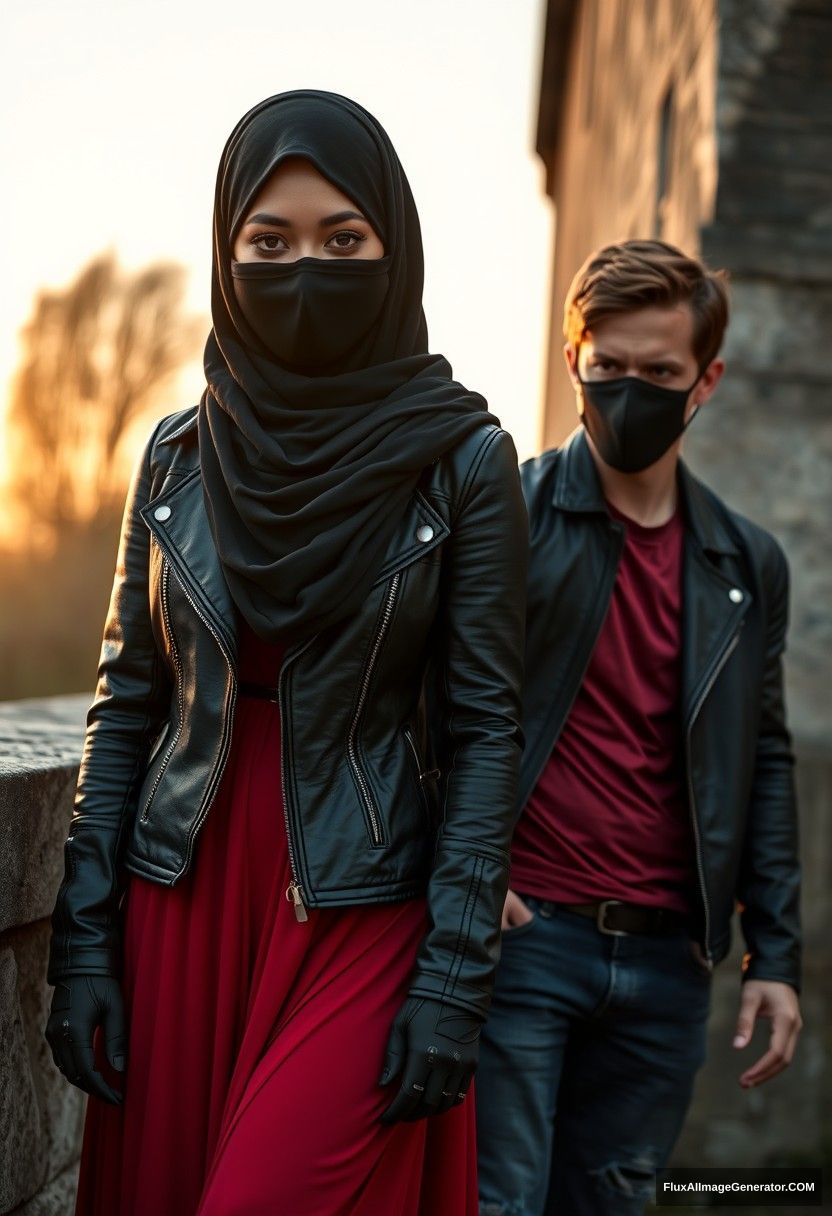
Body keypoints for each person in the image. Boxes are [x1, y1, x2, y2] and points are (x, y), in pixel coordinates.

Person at [44, 89, 528, 1216]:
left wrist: (455, 981)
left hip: (361, 908)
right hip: (183, 897)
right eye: (269, 242)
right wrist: (81, 941)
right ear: (226, 252)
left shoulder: (464, 459)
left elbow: (483, 730)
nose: (305, 267)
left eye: (341, 240)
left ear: (393, 247)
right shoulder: (173, 454)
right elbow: (127, 704)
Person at [475, 239, 802, 1216]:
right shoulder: (508, 517)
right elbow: (429, 705)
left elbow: (765, 758)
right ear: (572, 356)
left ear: (704, 381)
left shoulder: (747, 563)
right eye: (605, 366)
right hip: (526, 940)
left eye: (657, 373)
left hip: (667, 965)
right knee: (500, 1204)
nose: (628, 391)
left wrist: (773, 956)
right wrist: (470, 868)